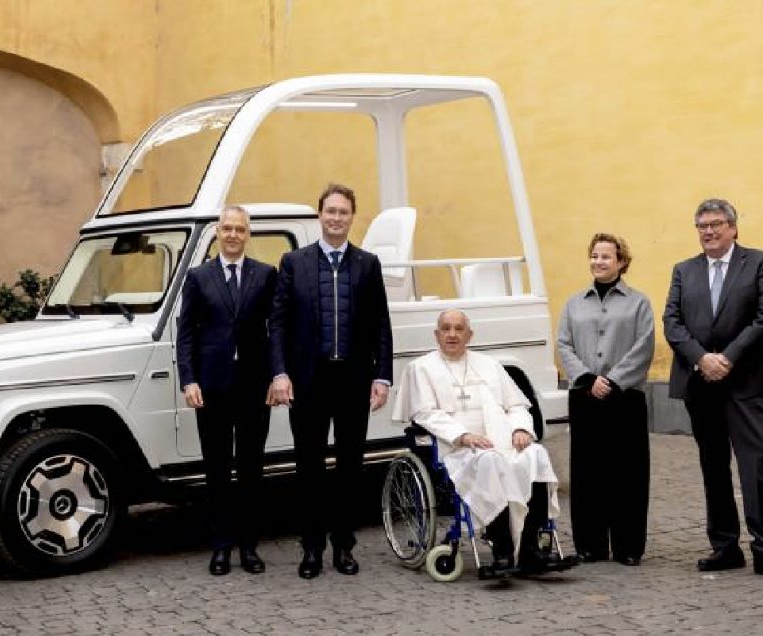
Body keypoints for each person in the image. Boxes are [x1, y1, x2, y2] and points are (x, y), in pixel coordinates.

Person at [663, 198, 763, 581]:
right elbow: (672, 322)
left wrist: (728, 358)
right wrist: (702, 359)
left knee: (759, 463)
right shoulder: (684, 270)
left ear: (733, 228)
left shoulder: (760, 263)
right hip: (701, 383)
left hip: (748, 382)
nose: (709, 231)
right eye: (702, 225)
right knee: (714, 465)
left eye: (716, 224)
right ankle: (724, 546)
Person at [269, 183, 393, 579]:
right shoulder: (294, 263)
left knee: (350, 467)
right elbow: (278, 324)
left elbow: (381, 324)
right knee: (309, 467)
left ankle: (344, 547)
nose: (336, 218)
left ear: (351, 217)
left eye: (343, 212)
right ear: (319, 215)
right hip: (309, 381)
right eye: (330, 211)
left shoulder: (368, 264)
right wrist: (280, 372)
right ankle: (311, 549)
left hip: (353, 380)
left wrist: (382, 375)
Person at [393, 309, 562, 572]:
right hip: (457, 449)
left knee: (535, 454)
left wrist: (520, 429)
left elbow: (516, 405)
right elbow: (425, 413)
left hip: (501, 440)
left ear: (469, 335)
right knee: (489, 461)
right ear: (436, 334)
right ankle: (502, 548)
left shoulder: (489, 364)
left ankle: (530, 546)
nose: (452, 334)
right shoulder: (421, 368)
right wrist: (462, 435)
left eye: (458, 329)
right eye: (446, 329)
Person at [176, 205, 277, 576]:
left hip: (254, 388)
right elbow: (186, 333)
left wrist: (277, 375)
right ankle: (220, 548)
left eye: (240, 229)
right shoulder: (198, 277)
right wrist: (189, 380)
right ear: (217, 232)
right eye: (227, 228)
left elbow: (275, 330)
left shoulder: (265, 275)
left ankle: (249, 548)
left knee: (251, 470)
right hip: (212, 388)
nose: (233, 235)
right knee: (216, 471)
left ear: (248, 234)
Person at [556, 233, 655, 566]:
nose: (599, 262)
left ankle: (628, 546)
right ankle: (590, 545)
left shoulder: (638, 303)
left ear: (621, 262)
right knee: (588, 472)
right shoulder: (573, 303)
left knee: (628, 473)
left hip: (624, 397)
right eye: (594, 256)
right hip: (585, 396)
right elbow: (564, 344)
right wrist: (587, 379)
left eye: (606, 256)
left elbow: (644, 346)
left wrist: (613, 381)